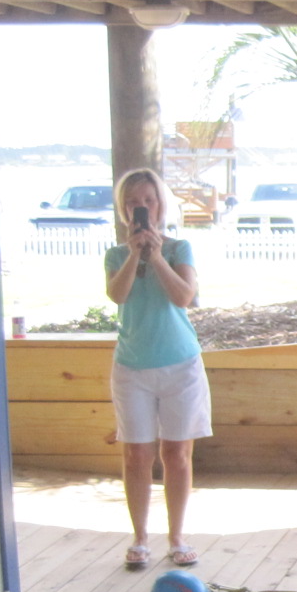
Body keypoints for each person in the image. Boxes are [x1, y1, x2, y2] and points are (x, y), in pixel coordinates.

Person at [104, 167, 211, 569]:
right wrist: (136, 253)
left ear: (160, 205)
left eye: (148, 200)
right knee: (136, 454)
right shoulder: (116, 255)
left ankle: (177, 537)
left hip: (180, 363)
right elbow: (118, 295)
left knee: (177, 453)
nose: (142, 207)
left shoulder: (180, 248)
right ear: (123, 209)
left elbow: (184, 296)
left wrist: (157, 255)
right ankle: (140, 538)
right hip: (132, 366)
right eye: (134, 202)